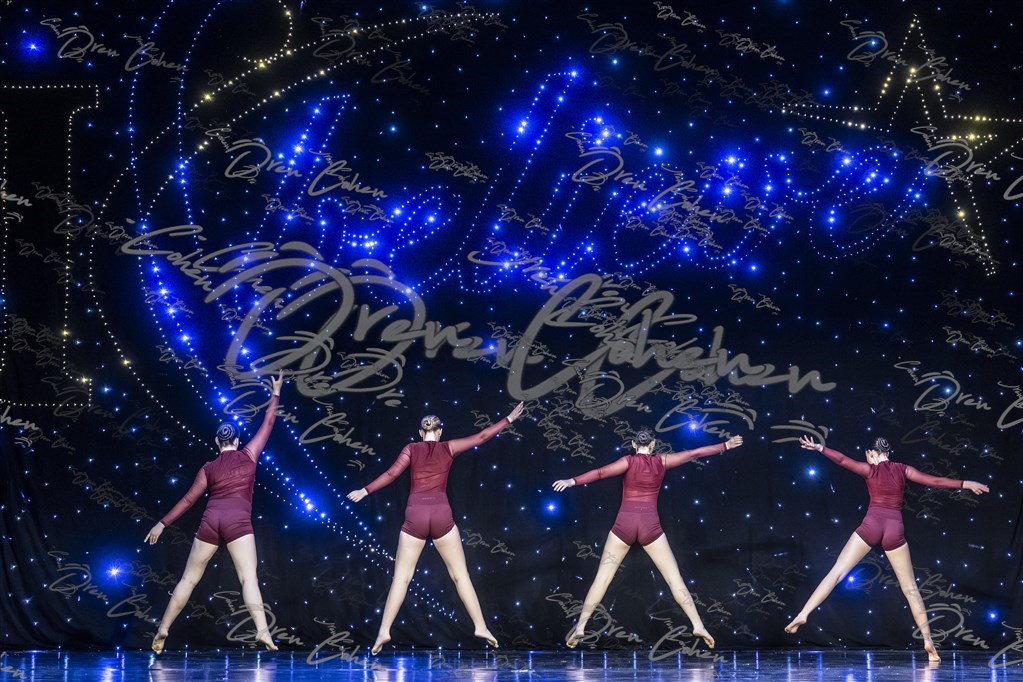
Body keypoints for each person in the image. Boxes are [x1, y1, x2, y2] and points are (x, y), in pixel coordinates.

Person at [784, 435, 989, 662]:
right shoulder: (903, 469)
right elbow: (935, 481)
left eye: (867, 456)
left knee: (837, 573)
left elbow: (842, 460)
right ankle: (928, 641)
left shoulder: (870, 470)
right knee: (911, 589)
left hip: (871, 524)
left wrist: (820, 448)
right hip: (894, 528)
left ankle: (803, 613)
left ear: (872, 453)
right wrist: (965, 483)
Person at [347, 402, 525, 654]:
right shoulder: (448, 447)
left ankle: (384, 631)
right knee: (460, 576)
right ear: (440, 431)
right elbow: (482, 437)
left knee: (402, 578)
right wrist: (508, 419)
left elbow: (391, 474)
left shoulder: (411, 448)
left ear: (421, 432)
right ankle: (481, 626)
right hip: (441, 515)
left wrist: (365, 490)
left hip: (415, 515)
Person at [552, 429, 742, 649]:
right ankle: (698, 625)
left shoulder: (628, 461)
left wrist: (572, 481)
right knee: (674, 579)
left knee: (602, 579)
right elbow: (694, 454)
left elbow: (601, 473)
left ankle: (580, 627)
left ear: (634, 445)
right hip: (650, 527)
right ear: (652, 445)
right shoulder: (662, 461)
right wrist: (725, 446)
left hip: (624, 525)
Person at [144, 371, 285, 654]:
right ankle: (263, 631)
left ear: (217, 442)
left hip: (211, 520)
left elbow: (188, 500)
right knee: (248, 578)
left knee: (188, 579)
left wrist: (162, 523)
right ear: (237, 441)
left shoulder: (208, 468)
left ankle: (163, 629)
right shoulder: (249, 455)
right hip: (237, 521)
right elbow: (269, 422)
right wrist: (276, 393)